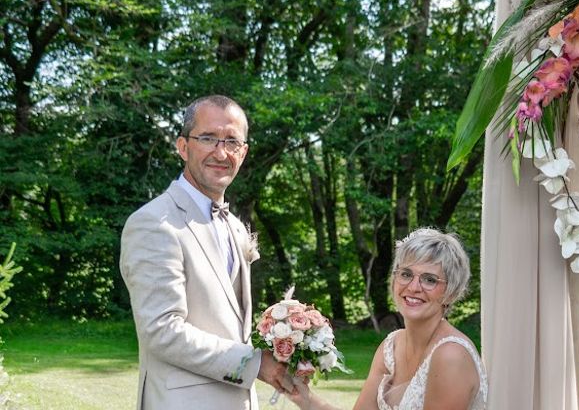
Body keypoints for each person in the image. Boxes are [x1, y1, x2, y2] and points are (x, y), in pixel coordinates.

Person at [120, 95, 294, 410]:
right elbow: (162, 330)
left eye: (231, 141)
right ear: (183, 147)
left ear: (243, 152)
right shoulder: (154, 223)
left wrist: (288, 345)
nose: (220, 152)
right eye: (208, 138)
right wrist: (255, 363)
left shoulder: (237, 228)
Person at [288, 228, 488, 410]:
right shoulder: (391, 346)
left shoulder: (451, 355)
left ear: (450, 292)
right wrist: (305, 398)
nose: (413, 287)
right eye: (406, 274)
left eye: (429, 279)